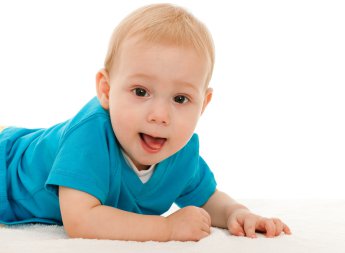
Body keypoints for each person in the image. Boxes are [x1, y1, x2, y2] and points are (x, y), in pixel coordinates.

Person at [0, 4, 291, 242]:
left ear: (203, 104)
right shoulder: (90, 134)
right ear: (106, 90)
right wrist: (166, 228)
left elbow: (207, 197)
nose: (160, 115)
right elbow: (81, 219)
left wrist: (235, 213)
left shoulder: (181, 151)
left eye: (180, 99)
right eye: (141, 92)